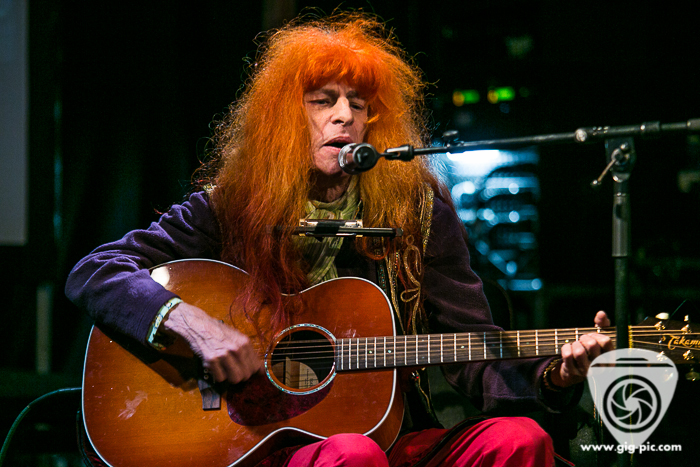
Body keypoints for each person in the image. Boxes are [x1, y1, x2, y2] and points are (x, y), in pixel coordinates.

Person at [66, 12, 611, 467]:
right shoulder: (232, 206)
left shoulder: (418, 210)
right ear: (285, 117)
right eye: (323, 100)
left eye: (359, 103)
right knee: (352, 453)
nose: (345, 116)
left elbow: (474, 353)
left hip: (392, 440)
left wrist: (554, 376)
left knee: (519, 440)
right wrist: (194, 325)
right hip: (264, 447)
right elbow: (95, 271)